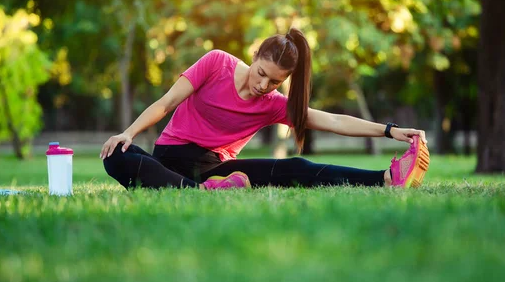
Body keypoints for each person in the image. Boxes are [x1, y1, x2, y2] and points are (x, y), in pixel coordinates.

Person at [101, 28, 430, 190]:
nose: (263, 86)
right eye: (261, 73)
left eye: (274, 82)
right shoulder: (216, 63)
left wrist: (389, 130)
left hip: (219, 171)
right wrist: (128, 133)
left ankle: (386, 178)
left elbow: (331, 120)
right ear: (254, 55)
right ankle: (198, 192)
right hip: (168, 161)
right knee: (117, 155)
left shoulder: (272, 105)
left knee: (295, 166)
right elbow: (166, 103)